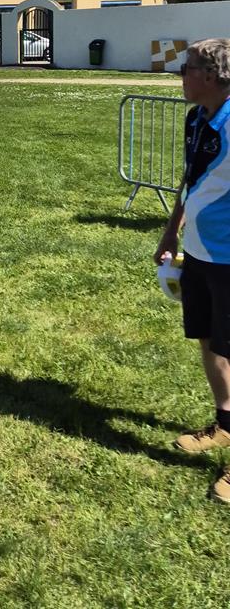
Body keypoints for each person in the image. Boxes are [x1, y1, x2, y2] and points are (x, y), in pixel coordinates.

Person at [154, 39, 230, 503]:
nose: (181, 74)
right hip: (200, 254)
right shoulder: (195, 119)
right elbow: (191, 180)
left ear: (213, 76)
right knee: (209, 340)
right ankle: (225, 423)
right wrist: (170, 233)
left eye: (188, 68)